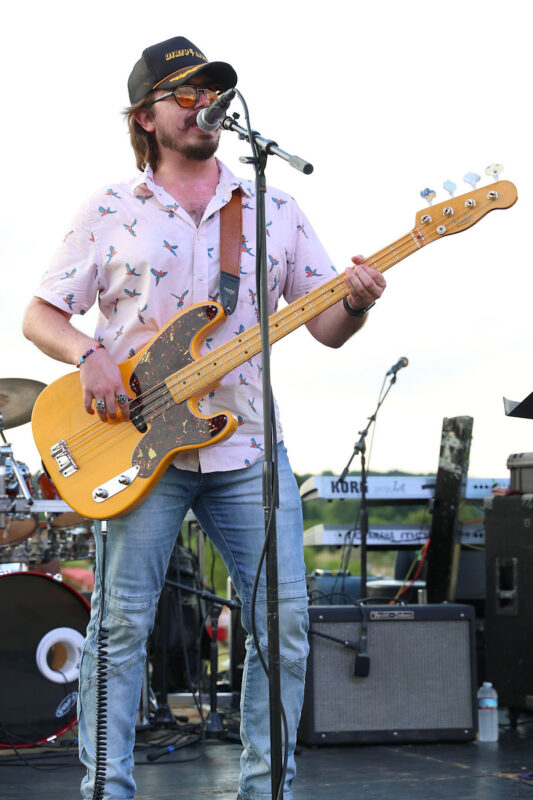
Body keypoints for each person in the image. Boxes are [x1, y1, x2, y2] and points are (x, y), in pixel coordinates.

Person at [22, 36, 386, 800]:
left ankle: (267, 790)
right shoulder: (112, 208)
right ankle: (106, 791)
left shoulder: (273, 208)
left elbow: (323, 327)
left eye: (211, 93)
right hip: (134, 449)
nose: (202, 106)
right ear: (145, 116)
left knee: (283, 631)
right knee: (119, 632)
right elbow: (40, 314)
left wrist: (351, 300)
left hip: (247, 447)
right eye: (182, 95)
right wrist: (88, 355)